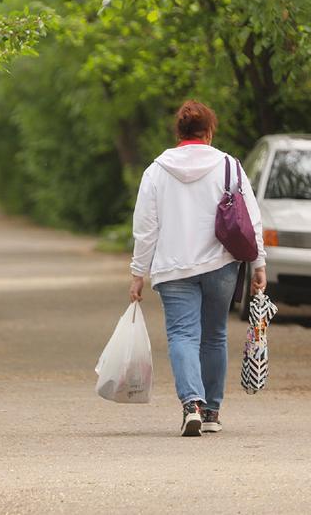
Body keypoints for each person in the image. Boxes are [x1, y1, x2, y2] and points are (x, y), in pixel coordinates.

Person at [128, 100, 267, 436]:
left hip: (173, 267)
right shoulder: (229, 166)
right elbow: (252, 218)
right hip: (221, 264)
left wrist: (137, 273)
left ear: (179, 132)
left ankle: (191, 404)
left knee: (182, 334)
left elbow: (146, 226)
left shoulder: (156, 171)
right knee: (215, 334)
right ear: (208, 132)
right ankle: (212, 412)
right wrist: (259, 262)